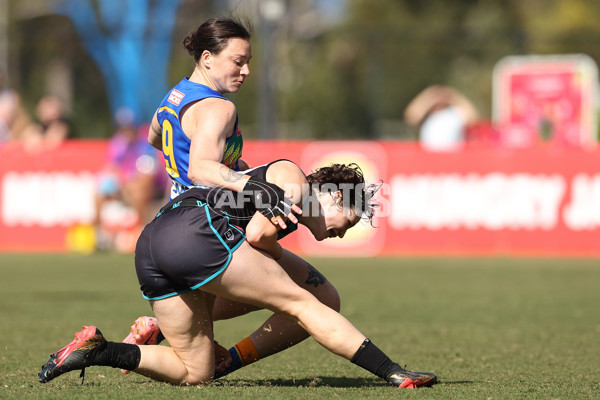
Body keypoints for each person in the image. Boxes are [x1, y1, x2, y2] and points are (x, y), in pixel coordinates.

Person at [38, 160, 437, 388]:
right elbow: (257, 233)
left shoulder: (285, 190)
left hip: (153, 241)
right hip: (198, 232)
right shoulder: (296, 184)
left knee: (195, 373)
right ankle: (393, 372)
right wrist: (289, 274)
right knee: (303, 303)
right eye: (346, 220)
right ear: (333, 193)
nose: (341, 232)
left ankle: (99, 350)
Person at [125, 16, 347, 379]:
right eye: (238, 61)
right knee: (316, 298)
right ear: (208, 57)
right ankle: (185, 337)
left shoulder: (175, 97)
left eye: (248, 62)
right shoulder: (216, 106)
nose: (245, 71)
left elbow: (154, 136)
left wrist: (218, 165)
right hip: (213, 220)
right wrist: (248, 183)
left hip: (179, 220)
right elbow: (201, 167)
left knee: (245, 305)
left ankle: (164, 329)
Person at [95, 107, 167, 251]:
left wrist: (126, 186)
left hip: (150, 188)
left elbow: (147, 177)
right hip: (126, 187)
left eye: (128, 128)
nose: (125, 132)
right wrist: (118, 185)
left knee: (139, 191)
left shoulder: (147, 145)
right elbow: (110, 169)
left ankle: (139, 231)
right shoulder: (118, 144)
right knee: (99, 195)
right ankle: (100, 233)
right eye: (122, 128)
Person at [404, 85, 479, 152]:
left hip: (452, 156)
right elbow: (411, 117)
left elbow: (473, 119)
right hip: (428, 156)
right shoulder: (425, 115)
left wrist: (454, 96)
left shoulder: (455, 112)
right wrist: (427, 97)